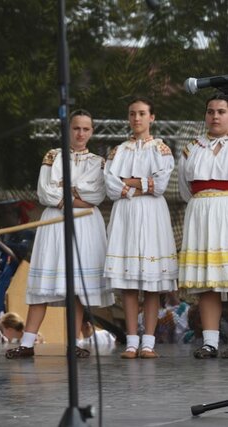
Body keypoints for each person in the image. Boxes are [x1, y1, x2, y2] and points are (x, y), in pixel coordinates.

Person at [6, 109, 114, 360]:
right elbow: (45, 193)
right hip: (55, 222)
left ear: (92, 131)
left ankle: (72, 342)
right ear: (68, 129)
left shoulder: (98, 161)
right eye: (76, 128)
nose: (80, 133)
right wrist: (79, 196)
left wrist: (67, 192)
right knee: (44, 284)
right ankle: (28, 342)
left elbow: (97, 196)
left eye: (86, 129)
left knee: (76, 286)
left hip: (86, 225)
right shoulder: (53, 156)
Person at [104, 97, 178, 359]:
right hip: (126, 212)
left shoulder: (161, 149)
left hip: (151, 213)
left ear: (152, 118)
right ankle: (132, 340)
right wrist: (137, 184)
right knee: (128, 281)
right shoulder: (119, 150)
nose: (137, 118)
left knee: (151, 281)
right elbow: (110, 184)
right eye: (132, 114)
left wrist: (128, 182)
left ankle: (149, 341)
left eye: (142, 113)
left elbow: (160, 184)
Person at [179, 92, 228, 358]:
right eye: (211, 111)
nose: (215, 116)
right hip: (200, 214)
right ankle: (210, 342)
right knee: (209, 282)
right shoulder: (192, 147)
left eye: (221, 111)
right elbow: (187, 190)